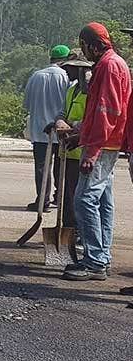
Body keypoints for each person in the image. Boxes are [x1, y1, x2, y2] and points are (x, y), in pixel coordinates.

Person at [64, 23, 130, 281]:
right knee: (102, 201)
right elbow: (98, 113)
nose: (84, 52)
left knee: (85, 200)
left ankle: (94, 261)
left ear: (91, 45)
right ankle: (101, 256)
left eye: (83, 47)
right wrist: (81, 135)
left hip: (103, 145)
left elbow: (108, 112)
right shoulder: (111, 64)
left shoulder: (109, 66)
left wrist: (92, 150)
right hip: (105, 142)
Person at [23, 45, 70, 211]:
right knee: (60, 164)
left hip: (40, 130)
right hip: (62, 129)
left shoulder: (36, 76)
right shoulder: (67, 77)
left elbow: (27, 104)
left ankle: (42, 199)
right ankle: (60, 198)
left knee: (42, 166)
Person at [53, 56, 93, 245]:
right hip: (66, 151)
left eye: (70, 68)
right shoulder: (72, 90)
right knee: (66, 195)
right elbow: (63, 112)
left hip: (82, 152)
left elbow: (94, 120)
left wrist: (73, 126)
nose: (67, 72)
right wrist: (59, 121)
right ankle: (67, 231)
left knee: (79, 197)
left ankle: (79, 232)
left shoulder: (92, 92)